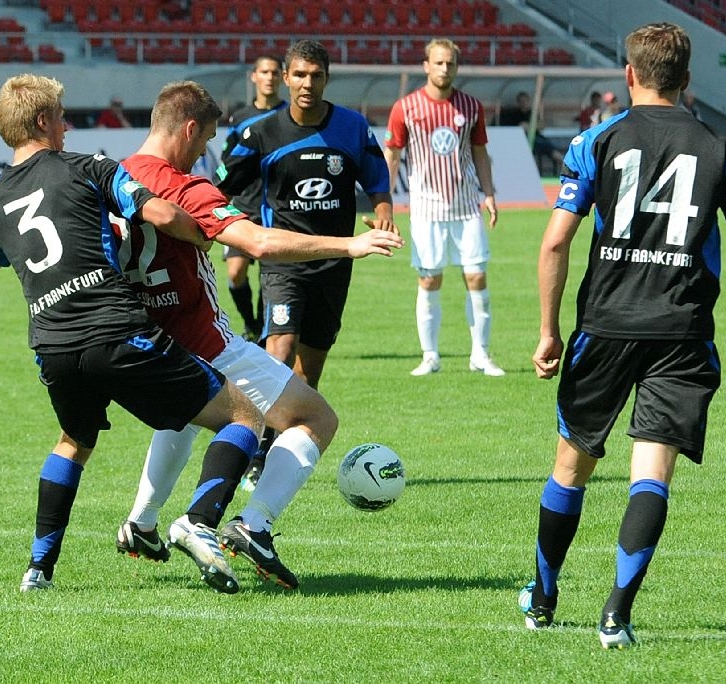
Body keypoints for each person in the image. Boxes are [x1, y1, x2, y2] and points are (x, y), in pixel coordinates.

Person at [518, 22, 726, 648]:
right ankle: (616, 615)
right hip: (683, 330)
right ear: (687, 80)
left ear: (629, 75)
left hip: (605, 325)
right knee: (651, 473)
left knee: (571, 466)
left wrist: (549, 330)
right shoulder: (720, 147)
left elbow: (555, 242)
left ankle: (543, 597)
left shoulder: (595, 141)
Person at [0, 73, 265, 594]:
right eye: (61, 117)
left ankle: (38, 570)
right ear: (42, 121)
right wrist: (202, 235)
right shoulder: (86, 167)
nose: (66, 127)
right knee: (244, 415)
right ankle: (198, 523)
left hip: (53, 344)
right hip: (117, 331)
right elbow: (161, 211)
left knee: (73, 442)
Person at [115, 80, 403, 590]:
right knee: (315, 417)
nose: (204, 153)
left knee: (185, 415)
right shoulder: (183, 187)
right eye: (205, 140)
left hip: (149, 342)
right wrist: (349, 245)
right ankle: (253, 525)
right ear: (188, 129)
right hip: (207, 340)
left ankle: (141, 521)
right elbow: (260, 243)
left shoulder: (110, 179)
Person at [217, 40, 395, 488]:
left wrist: (384, 208)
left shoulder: (352, 128)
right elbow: (221, 185)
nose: (307, 84)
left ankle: (280, 448)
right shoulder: (260, 133)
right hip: (284, 261)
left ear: (327, 79)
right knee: (279, 347)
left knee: (308, 372)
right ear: (285, 77)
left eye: (316, 76)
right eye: (299, 74)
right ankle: (254, 448)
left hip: (334, 262)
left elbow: (377, 179)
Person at [383, 38, 504, 378]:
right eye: (438, 62)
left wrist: (489, 192)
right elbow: (392, 154)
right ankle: (430, 356)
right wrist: (384, 200)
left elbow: (479, 151)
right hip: (425, 209)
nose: (444, 68)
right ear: (426, 66)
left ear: (456, 66)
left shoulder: (471, 107)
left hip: (465, 206)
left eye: (450, 63)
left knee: (477, 277)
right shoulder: (405, 108)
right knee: (429, 280)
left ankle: (480, 354)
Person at [221, 55, 287, 342]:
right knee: (236, 272)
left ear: (282, 77)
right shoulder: (240, 118)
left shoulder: (291, 114)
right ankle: (250, 324)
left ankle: (262, 331)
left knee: (270, 276)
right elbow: (227, 162)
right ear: (254, 76)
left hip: (278, 205)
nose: (269, 77)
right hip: (244, 205)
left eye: (274, 72)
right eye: (264, 72)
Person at [498, 90, 563, 176]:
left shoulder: (532, 113)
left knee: (546, 145)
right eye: (521, 101)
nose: (524, 103)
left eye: (525, 101)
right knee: (541, 145)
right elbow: (515, 127)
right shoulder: (514, 114)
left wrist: (530, 127)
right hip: (523, 140)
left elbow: (541, 126)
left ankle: (561, 161)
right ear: (518, 102)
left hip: (537, 138)